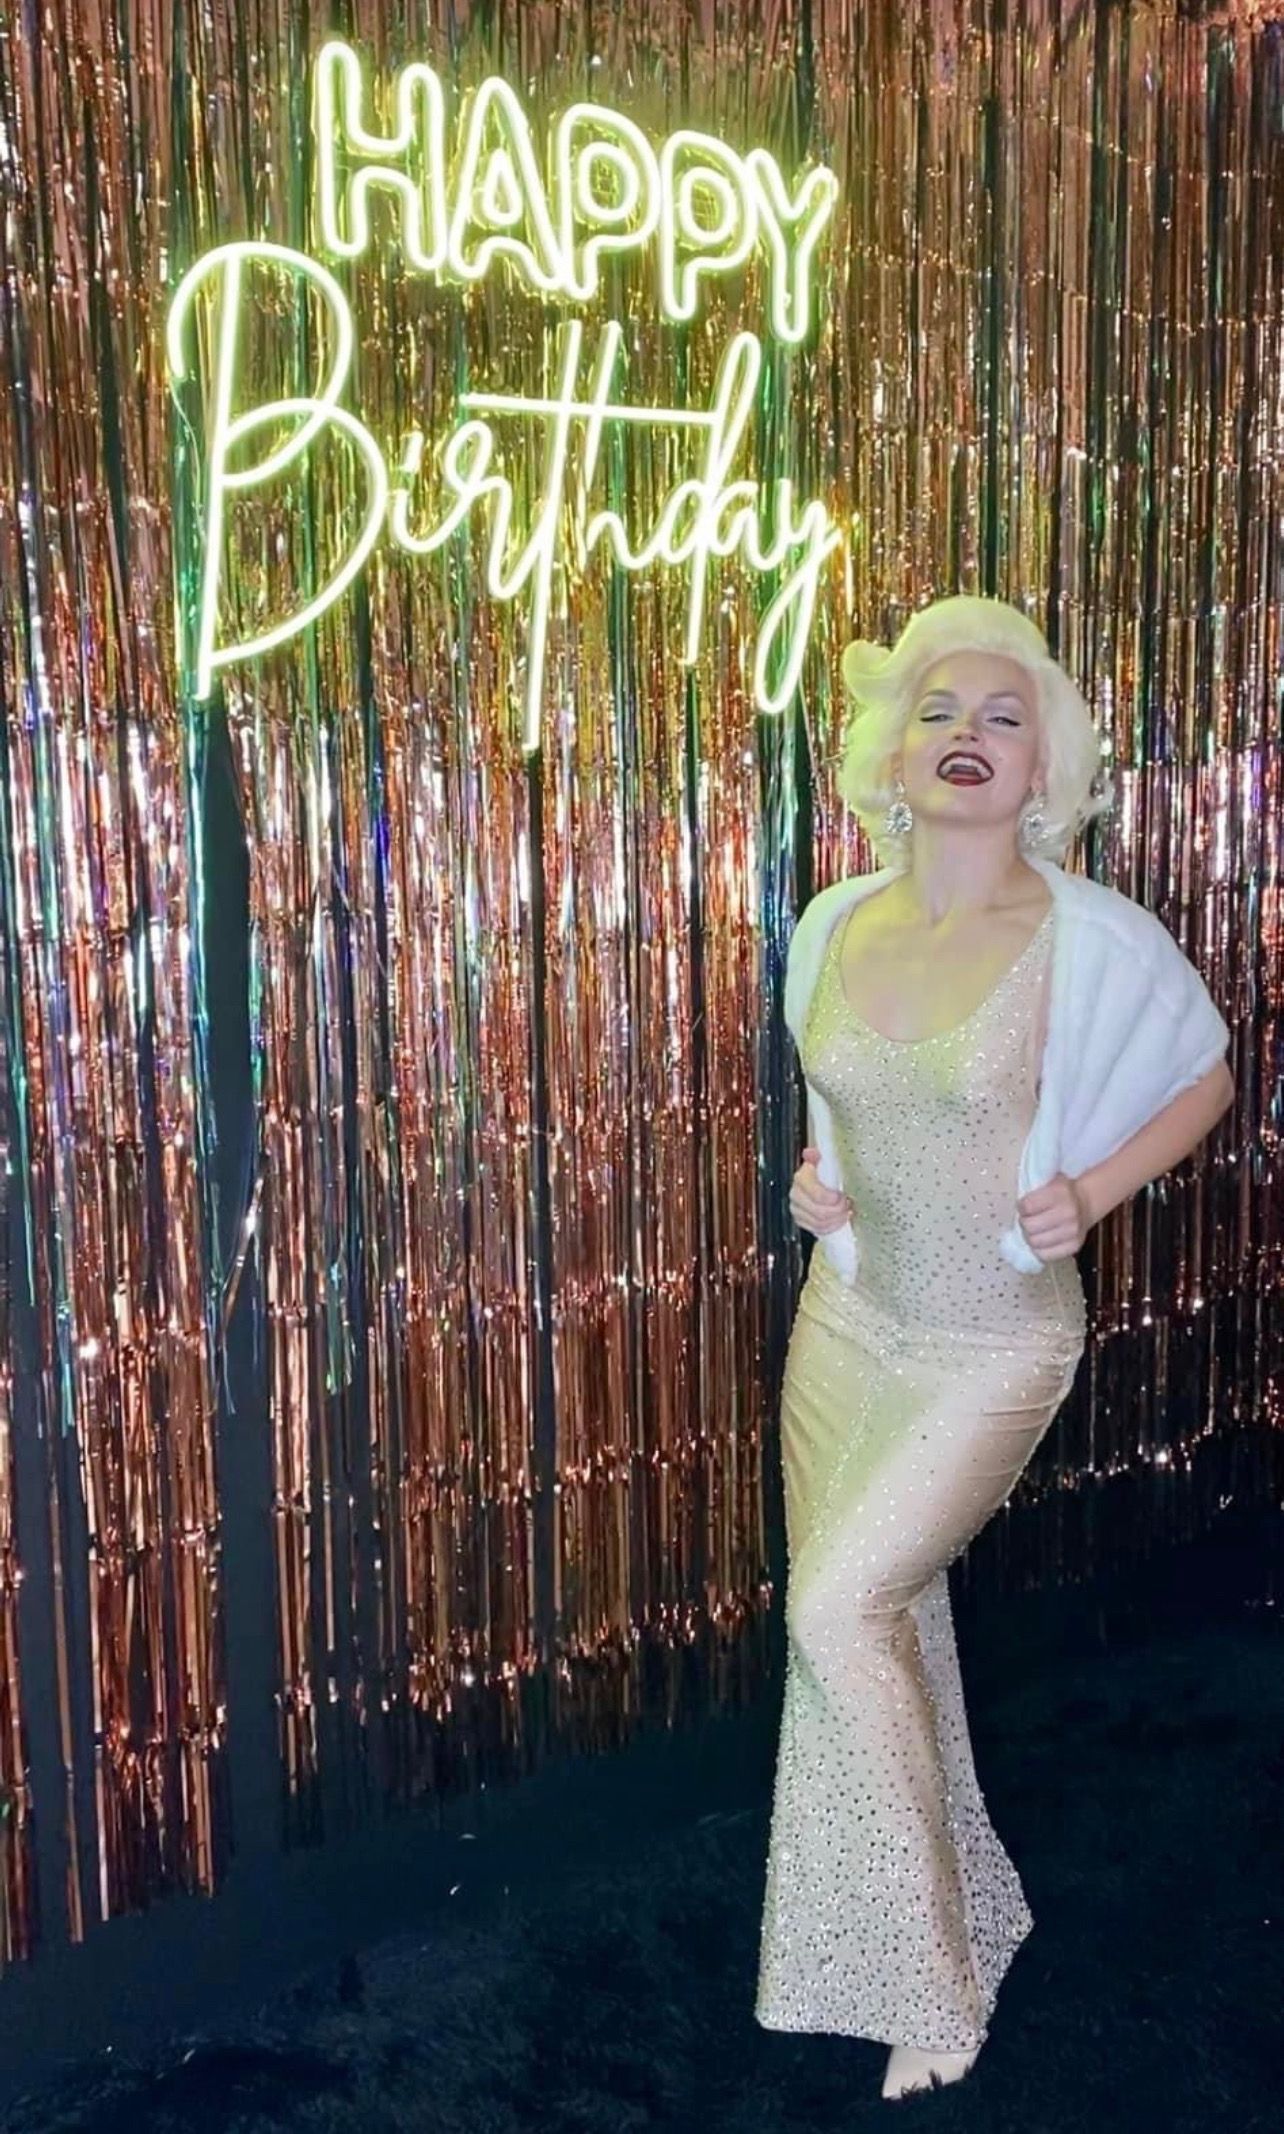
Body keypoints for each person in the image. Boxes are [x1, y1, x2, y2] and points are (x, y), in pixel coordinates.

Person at [753, 596, 1234, 2100]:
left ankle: (936, 1975)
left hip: (989, 1344)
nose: (968, 735)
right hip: (844, 1328)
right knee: (893, 1626)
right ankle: (965, 1894)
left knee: (837, 1610)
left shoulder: (1085, 938)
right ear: (894, 751)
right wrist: (812, 1184)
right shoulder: (834, 918)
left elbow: (1207, 1073)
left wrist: (1090, 1189)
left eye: (1003, 716)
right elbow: (838, 1097)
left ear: (1047, 767)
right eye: (940, 712)